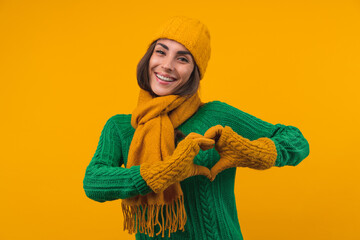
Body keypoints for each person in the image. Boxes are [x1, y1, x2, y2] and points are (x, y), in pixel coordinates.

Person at [83, 16, 310, 240]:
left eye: (182, 59)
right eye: (161, 52)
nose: (167, 65)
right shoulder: (121, 127)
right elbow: (93, 181)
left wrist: (251, 151)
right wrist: (162, 173)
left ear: (194, 72)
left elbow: (296, 141)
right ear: (148, 58)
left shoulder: (216, 116)